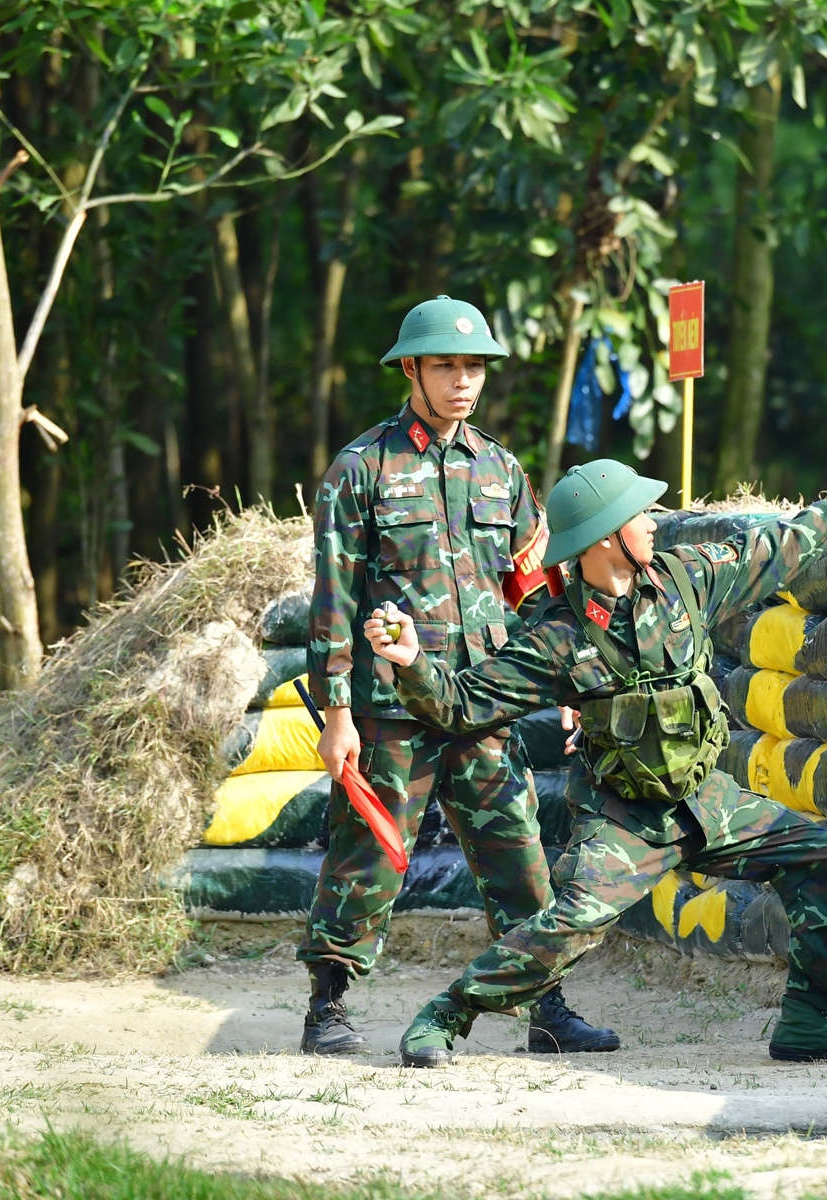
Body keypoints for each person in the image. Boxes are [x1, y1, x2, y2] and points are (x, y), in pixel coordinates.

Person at [363, 460, 827, 1067]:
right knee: (573, 925)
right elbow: (463, 705)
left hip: (708, 801)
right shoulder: (557, 637)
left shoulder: (685, 579)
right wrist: (411, 662)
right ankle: (447, 1014)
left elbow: (784, 542)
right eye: (638, 515)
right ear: (604, 537)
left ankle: (809, 1022)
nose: (652, 524)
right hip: (624, 818)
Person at [297, 296, 616, 1057]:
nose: (463, 380)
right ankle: (327, 1010)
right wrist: (337, 714)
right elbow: (332, 600)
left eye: (473, 366)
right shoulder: (361, 469)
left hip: (483, 704)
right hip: (391, 709)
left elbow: (537, 593)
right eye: (446, 364)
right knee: (366, 858)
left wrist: (570, 687)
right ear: (411, 368)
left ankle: (546, 1008)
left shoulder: (502, 470)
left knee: (520, 859)